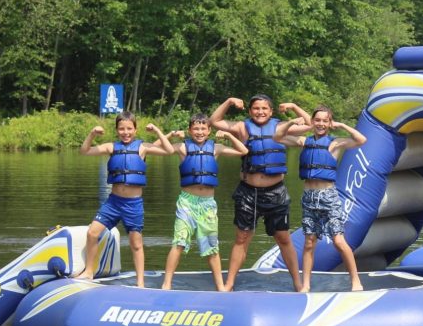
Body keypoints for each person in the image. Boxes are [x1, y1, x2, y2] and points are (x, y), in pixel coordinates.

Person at [210, 95, 310, 292]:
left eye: (264, 108)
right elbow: (214, 122)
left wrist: (294, 106)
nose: (260, 112)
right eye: (256, 108)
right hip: (248, 192)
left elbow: (310, 124)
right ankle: (229, 284)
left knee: (283, 238)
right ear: (250, 111)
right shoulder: (242, 128)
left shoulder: (281, 127)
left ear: (271, 111)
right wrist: (229, 101)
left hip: (276, 193)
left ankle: (298, 283)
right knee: (242, 238)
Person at [275, 104, 366, 292]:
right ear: (312, 121)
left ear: (329, 122)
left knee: (339, 241)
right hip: (309, 197)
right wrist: (292, 120)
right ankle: (306, 284)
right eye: (317, 120)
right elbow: (278, 136)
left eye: (325, 120)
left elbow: (361, 139)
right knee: (309, 242)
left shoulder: (335, 143)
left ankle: (356, 281)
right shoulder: (303, 141)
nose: (321, 123)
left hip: (328, 197)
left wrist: (341, 125)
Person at [79, 111, 174, 287]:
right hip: (113, 202)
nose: (126, 132)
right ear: (117, 130)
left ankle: (140, 282)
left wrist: (157, 131)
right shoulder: (111, 147)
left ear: (135, 130)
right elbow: (84, 151)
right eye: (122, 129)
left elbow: (169, 150)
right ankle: (89, 272)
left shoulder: (143, 147)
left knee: (136, 243)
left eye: (129, 128)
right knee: (92, 233)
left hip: (133, 204)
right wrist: (92, 134)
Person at [161, 113, 248, 291]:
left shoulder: (216, 148)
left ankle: (220, 286)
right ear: (189, 130)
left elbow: (243, 151)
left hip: (208, 203)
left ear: (209, 131)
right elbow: (161, 149)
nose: (199, 132)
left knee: (211, 246)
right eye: (196, 128)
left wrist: (230, 135)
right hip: (187, 202)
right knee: (179, 242)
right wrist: (169, 135)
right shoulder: (182, 148)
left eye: (203, 128)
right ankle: (166, 283)